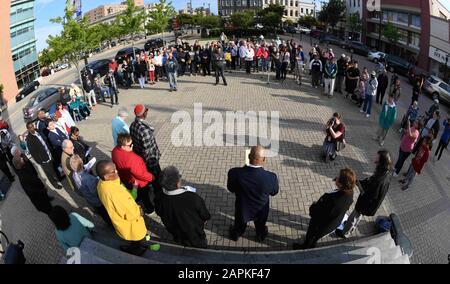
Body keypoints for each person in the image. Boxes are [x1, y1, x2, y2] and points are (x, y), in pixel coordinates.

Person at [293, 168, 355, 249]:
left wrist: (313, 209)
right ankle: (312, 243)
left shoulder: (334, 201)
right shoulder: (350, 192)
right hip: (332, 223)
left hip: (321, 225)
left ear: (341, 184)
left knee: (312, 234)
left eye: (338, 177)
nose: (336, 177)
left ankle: (306, 246)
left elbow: (321, 214)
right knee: (315, 237)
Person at [227, 146, 279, 242]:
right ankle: (260, 236)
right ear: (264, 159)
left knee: (239, 225)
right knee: (260, 226)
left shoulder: (234, 173)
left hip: (242, 209)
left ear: (249, 156)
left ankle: (236, 235)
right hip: (261, 210)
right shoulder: (271, 177)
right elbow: (274, 192)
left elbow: (231, 188)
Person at [96, 160, 148, 256]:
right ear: (106, 176)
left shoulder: (101, 183)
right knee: (135, 237)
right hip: (130, 223)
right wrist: (140, 211)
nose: (116, 172)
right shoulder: (115, 193)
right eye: (113, 171)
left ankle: (135, 246)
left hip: (121, 221)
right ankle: (136, 250)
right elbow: (130, 213)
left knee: (134, 238)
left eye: (115, 169)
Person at [336, 151, 392, 238]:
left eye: (377, 160)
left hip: (365, 204)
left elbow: (368, 192)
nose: (374, 161)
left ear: (381, 162)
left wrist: (356, 183)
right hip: (369, 205)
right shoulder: (386, 173)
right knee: (358, 216)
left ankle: (345, 233)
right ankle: (350, 228)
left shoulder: (378, 179)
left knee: (354, 217)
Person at [155, 166, 211, 248]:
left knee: (180, 241)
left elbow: (159, 212)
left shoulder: (159, 197)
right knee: (200, 245)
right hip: (194, 233)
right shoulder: (192, 198)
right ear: (178, 183)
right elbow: (205, 214)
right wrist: (205, 219)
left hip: (175, 232)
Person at [112, 133, 155, 215]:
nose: (132, 146)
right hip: (139, 183)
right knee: (145, 196)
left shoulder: (114, 151)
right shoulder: (133, 159)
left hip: (126, 179)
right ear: (122, 146)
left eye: (132, 143)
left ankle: (137, 198)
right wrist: (151, 177)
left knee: (136, 193)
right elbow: (141, 174)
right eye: (130, 145)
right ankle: (150, 209)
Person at [69, 155, 111, 226]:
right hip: (98, 201)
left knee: (100, 211)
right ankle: (110, 223)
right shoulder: (88, 179)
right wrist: (97, 180)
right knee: (105, 213)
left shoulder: (74, 174)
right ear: (82, 163)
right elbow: (94, 191)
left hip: (89, 199)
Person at [129, 104, 161, 191]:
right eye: (146, 111)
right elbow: (148, 150)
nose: (147, 112)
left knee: (148, 175)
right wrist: (151, 162)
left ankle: (151, 185)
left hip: (140, 157)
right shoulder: (145, 130)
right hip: (151, 161)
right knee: (156, 178)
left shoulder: (132, 125)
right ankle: (158, 193)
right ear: (143, 114)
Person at [12, 148, 53, 214]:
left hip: (41, 192)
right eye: (21, 159)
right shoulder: (23, 177)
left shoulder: (23, 167)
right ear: (19, 164)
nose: (22, 159)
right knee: (49, 210)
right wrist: (43, 190)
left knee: (49, 206)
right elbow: (31, 191)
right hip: (40, 199)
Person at [26, 122, 63, 189]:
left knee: (54, 167)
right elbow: (33, 153)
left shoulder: (37, 131)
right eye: (30, 127)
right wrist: (40, 161)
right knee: (49, 173)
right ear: (28, 129)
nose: (32, 128)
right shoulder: (29, 140)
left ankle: (59, 178)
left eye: (32, 126)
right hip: (43, 159)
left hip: (48, 153)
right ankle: (55, 184)